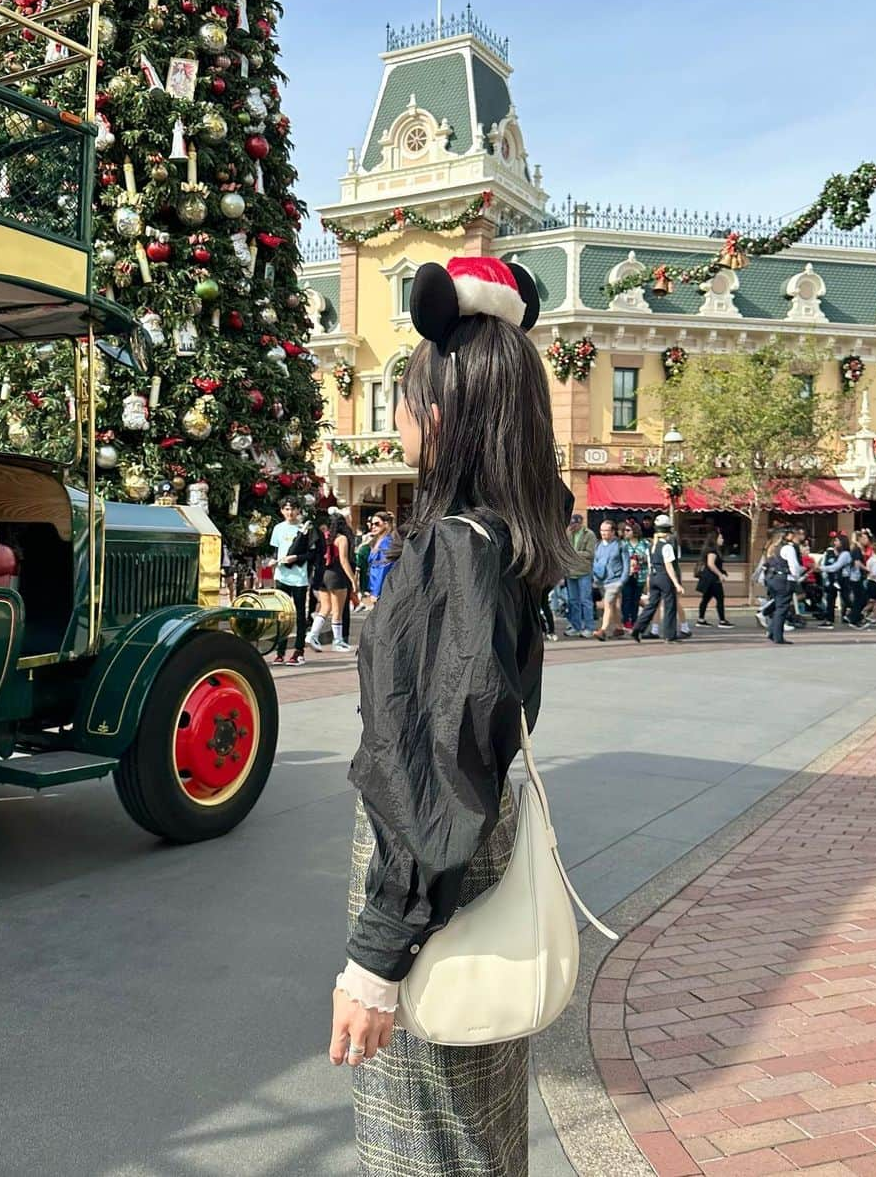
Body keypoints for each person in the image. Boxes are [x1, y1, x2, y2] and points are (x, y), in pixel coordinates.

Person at [329, 253, 573, 1172]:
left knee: (431, 1144)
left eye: (406, 393)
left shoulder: (452, 554)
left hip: (431, 877)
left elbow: (430, 770)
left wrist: (376, 956)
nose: (396, 416)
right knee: (479, 1130)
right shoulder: (511, 542)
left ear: (444, 409)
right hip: (470, 862)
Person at [268, 497, 311, 666]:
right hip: (281, 576)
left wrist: (296, 557)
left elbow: (311, 554)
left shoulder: (305, 529)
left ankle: (299, 651)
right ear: (281, 511)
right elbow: (275, 551)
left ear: (299, 510)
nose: (290, 512)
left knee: (299, 615)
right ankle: (280, 652)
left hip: (299, 578)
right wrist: (273, 561)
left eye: (293, 509)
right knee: (282, 614)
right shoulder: (278, 528)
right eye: (286, 509)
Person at [307, 510, 358, 652]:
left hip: (323, 574)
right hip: (337, 575)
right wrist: (353, 580)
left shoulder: (325, 536)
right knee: (338, 611)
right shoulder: (341, 539)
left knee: (325, 607)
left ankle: (312, 634)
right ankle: (338, 641)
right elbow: (344, 560)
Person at [631, 513, 683, 643]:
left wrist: (649, 581)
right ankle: (669, 635)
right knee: (670, 606)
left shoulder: (651, 546)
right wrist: (677, 583)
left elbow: (649, 565)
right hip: (664, 578)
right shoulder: (667, 546)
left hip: (654, 577)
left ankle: (637, 629)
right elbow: (669, 566)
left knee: (651, 605)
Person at [592, 518, 626, 640]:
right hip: (602, 580)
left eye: (606, 530)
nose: (603, 533)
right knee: (613, 605)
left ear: (613, 532)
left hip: (615, 581)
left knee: (607, 603)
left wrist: (622, 580)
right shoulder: (598, 545)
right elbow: (595, 561)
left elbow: (626, 564)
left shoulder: (620, 545)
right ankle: (619, 627)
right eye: (601, 530)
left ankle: (603, 630)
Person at [564, 512, 596, 638]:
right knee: (573, 601)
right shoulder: (568, 533)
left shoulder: (589, 535)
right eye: (571, 524)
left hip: (584, 572)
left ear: (580, 523)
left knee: (585, 600)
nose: (572, 526)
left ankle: (589, 627)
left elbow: (590, 553)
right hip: (570, 572)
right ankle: (576, 626)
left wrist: (573, 554)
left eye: (574, 524)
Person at [761, 529, 794, 644]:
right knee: (782, 608)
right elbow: (793, 566)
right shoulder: (787, 548)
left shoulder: (771, 547)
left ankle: (771, 631)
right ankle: (777, 636)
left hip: (772, 578)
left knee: (778, 605)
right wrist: (797, 575)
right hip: (783, 579)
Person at [695, 529, 732, 628]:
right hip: (712, 579)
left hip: (708, 579)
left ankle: (701, 619)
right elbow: (711, 564)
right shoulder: (712, 550)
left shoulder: (714, 550)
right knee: (720, 598)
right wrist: (720, 574)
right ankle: (722, 621)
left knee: (706, 599)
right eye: (720, 537)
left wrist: (722, 572)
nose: (722, 539)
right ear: (714, 539)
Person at [819, 533, 852, 627]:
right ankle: (829, 619)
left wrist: (821, 568)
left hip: (844, 578)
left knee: (846, 598)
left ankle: (854, 614)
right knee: (830, 598)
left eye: (837, 541)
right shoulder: (830, 552)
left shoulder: (845, 554)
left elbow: (836, 566)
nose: (835, 542)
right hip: (833, 578)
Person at [620, 519, 647, 631]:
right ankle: (626, 620)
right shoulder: (623, 544)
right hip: (627, 574)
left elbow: (649, 558)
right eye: (624, 530)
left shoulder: (645, 543)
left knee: (636, 599)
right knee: (626, 598)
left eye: (628, 530)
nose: (625, 532)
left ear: (634, 531)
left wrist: (641, 558)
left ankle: (635, 620)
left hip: (640, 574)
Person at [366, 510, 397, 602]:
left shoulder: (386, 542)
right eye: (372, 524)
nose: (373, 526)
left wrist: (376, 592)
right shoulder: (377, 541)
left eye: (377, 524)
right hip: (375, 585)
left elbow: (384, 567)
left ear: (386, 524)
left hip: (383, 588)